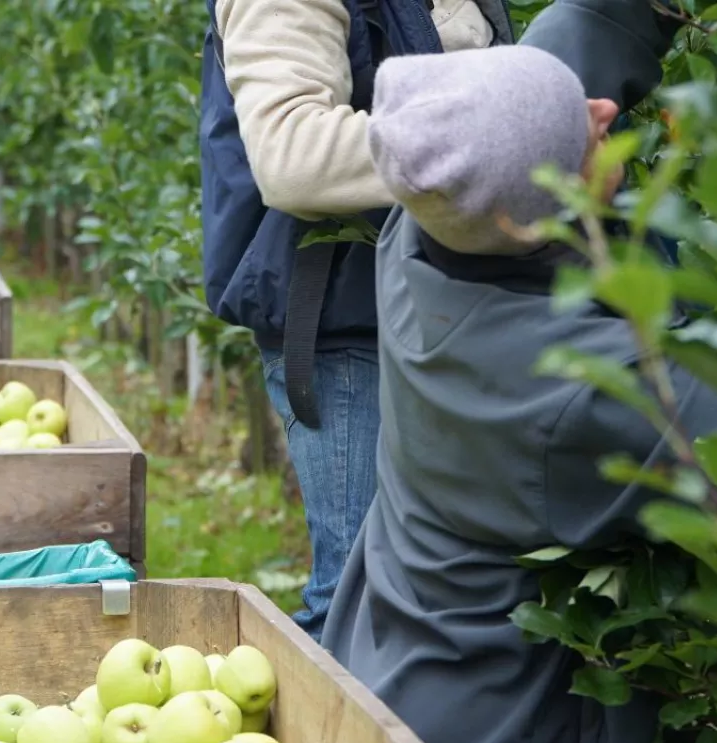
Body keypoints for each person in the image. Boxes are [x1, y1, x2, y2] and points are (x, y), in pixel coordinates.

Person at [320, 42, 717, 743]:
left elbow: (541, 80)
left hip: (403, 696)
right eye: (580, 128)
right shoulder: (579, 386)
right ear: (538, 204)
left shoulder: (421, 228)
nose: (603, 109)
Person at [200, 0, 511, 641]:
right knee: (358, 598)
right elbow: (294, 156)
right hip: (350, 329)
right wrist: (500, 144)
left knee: (433, 595)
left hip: (445, 314)